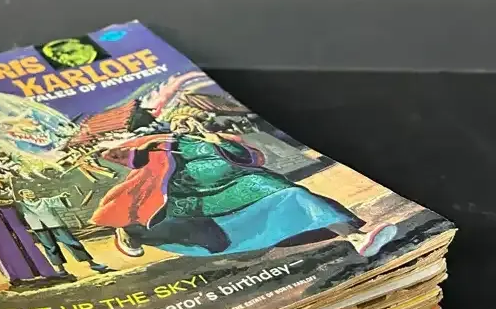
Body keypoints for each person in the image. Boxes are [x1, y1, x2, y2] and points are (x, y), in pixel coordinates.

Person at [90, 106, 397, 259]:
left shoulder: (218, 138)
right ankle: (131, 234)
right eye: (183, 121)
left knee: (293, 194)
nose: (188, 124)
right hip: (192, 197)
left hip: (244, 184)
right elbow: (130, 159)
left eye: (192, 120)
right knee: (174, 227)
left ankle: (357, 238)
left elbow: (250, 160)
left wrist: (218, 141)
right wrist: (129, 149)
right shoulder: (162, 142)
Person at [15, 189, 112, 275]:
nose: (30, 194)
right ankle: (61, 270)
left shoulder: (44, 201)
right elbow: (13, 207)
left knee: (72, 243)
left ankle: (92, 264)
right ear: (22, 196)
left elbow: (57, 199)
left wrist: (62, 197)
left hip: (56, 225)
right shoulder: (21, 205)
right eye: (27, 193)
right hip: (39, 228)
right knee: (51, 248)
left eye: (31, 192)